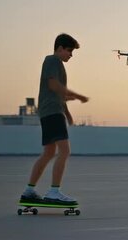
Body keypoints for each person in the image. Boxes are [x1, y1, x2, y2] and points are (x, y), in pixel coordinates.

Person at [21, 33, 89, 204]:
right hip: (51, 111)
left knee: (49, 152)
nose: (71, 55)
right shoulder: (52, 60)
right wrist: (77, 95)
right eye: (69, 51)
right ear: (60, 48)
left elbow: (57, 92)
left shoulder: (57, 64)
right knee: (64, 151)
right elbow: (53, 85)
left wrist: (67, 113)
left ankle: (29, 191)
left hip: (50, 111)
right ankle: (54, 192)